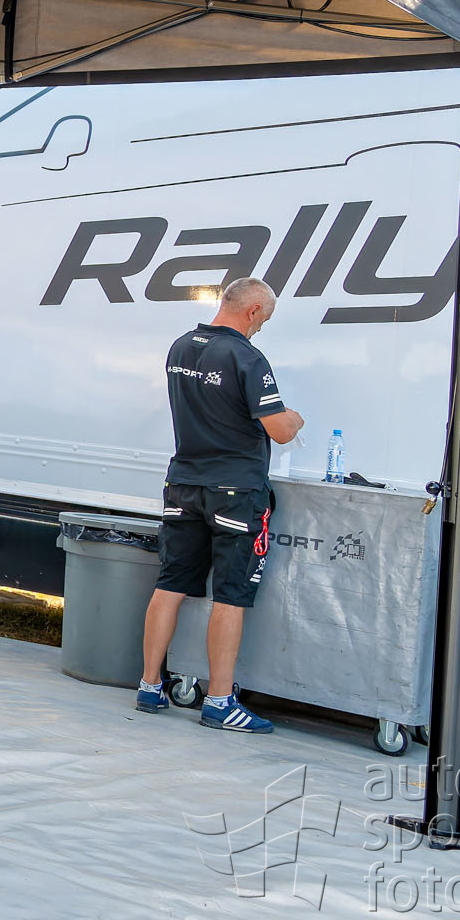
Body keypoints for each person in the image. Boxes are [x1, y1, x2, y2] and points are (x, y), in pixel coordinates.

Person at [136, 277, 304, 734]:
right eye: (264, 319)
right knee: (231, 595)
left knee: (170, 584)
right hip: (235, 490)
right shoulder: (247, 357)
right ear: (252, 311)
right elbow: (280, 430)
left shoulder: (181, 347)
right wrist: (295, 418)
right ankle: (220, 701)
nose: (261, 328)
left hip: (183, 483)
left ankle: (149, 685)